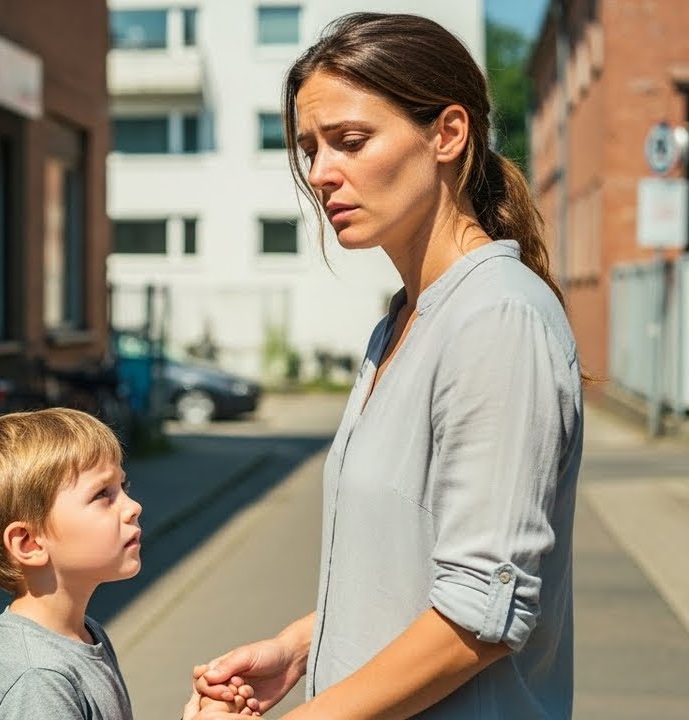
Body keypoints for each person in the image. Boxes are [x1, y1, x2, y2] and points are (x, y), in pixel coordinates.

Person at [190, 12, 584, 719]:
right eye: (309, 148)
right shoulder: (402, 320)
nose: (319, 174)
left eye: (350, 141)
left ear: (447, 134)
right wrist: (305, 644)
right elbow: (413, 572)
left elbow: (479, 616)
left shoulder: (495, 319)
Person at [0, 408, 257, 719]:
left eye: (123, 486)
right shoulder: (39, 679)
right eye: (103, 494)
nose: (133, 507)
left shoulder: (83, 633)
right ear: (29, 543)